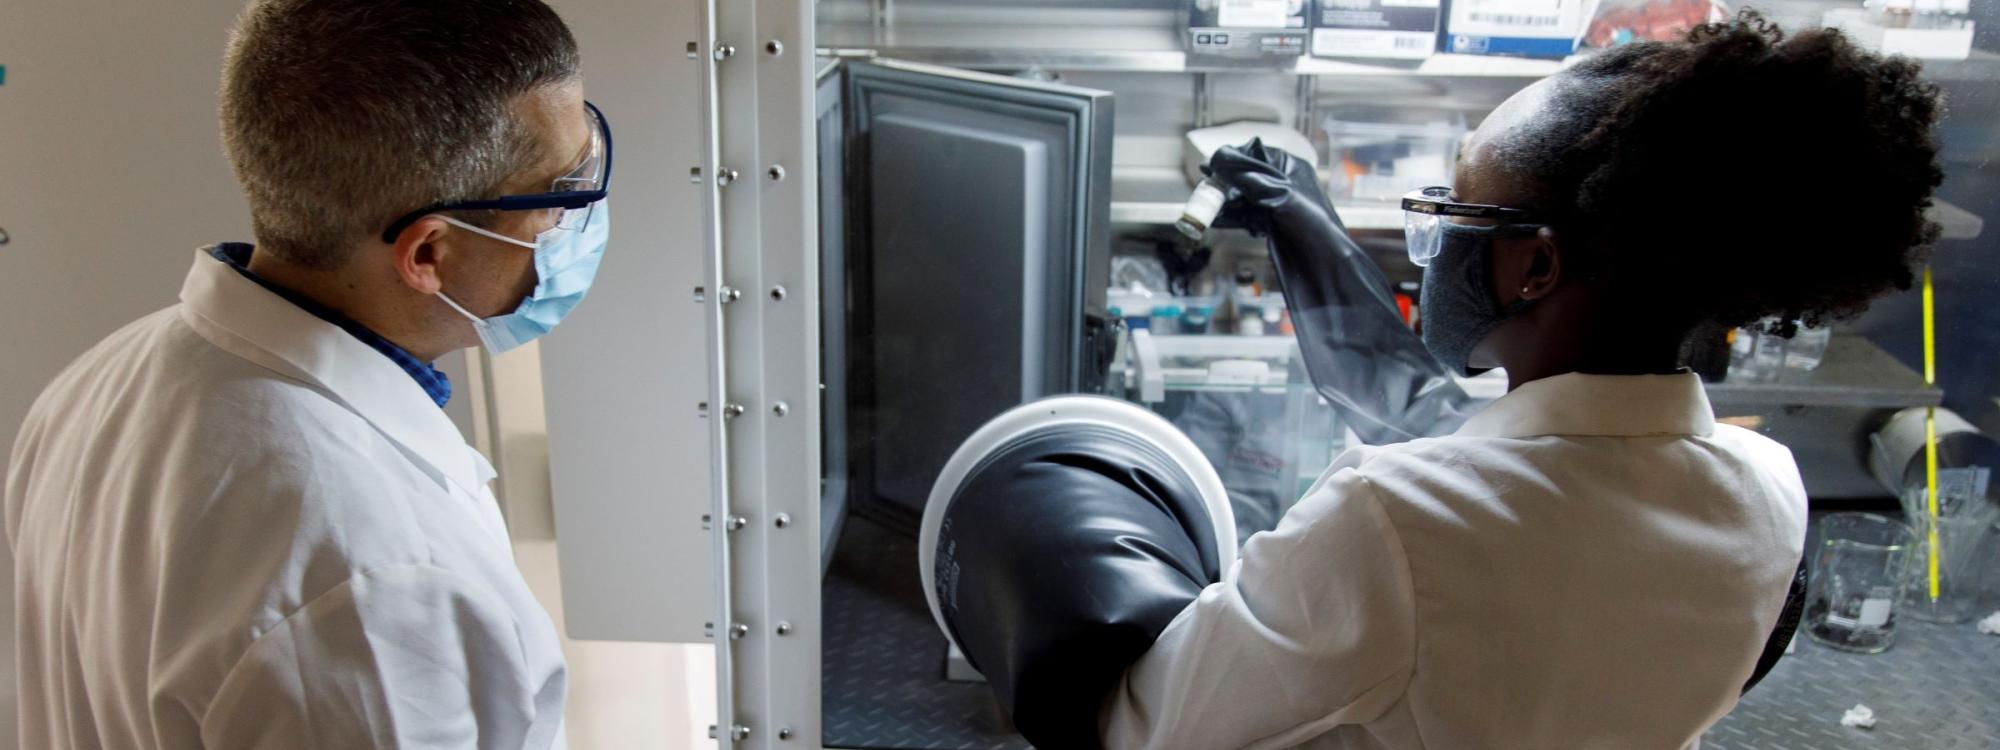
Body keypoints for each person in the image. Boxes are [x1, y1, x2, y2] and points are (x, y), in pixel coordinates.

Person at [924, 12, 1942, 750]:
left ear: (1533, 266)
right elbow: (1492, 452)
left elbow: (1143, 731)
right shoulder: (1766, 488)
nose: (1429, 247)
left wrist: (1053, 508)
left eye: (1451, 209)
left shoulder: (1387, 523)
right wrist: (1309, 234)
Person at [3, 0, 609, 746]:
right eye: (564, 194)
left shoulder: (97, 383)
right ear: (428, 255)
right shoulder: (376, 585)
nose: (582, 220)